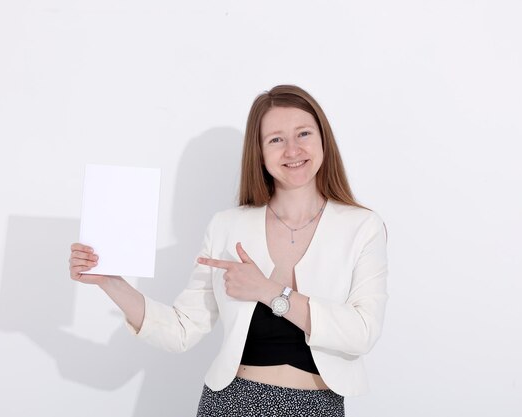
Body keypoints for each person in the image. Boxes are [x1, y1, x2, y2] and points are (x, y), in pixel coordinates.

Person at [69, 84, 388, 416]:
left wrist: (268, 290)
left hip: (316, 407)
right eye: (276, 139)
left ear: (323, 140)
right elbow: (181, 330)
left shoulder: (362, 227)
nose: (292, 150)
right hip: (232, 403)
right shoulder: (228, 226)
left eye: (303, 134)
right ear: (260, 153)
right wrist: (109, 281)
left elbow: (362, 333)